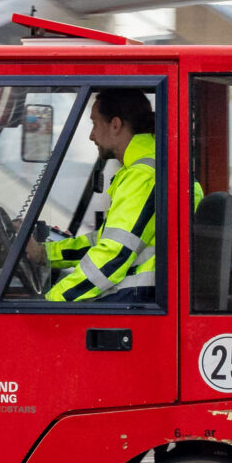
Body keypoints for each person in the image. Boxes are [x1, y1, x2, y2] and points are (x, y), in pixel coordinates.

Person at [32, 88, 183, 303]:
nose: (92, 135)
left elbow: (114, 254)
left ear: (115, 125)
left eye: (94, 123)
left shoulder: (144, 175)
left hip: (135, 302)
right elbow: (103, 242)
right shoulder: (145, 167)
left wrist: (51, 303)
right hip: (137, 300)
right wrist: (44, 254)